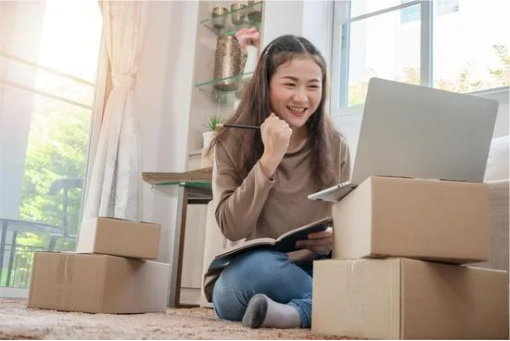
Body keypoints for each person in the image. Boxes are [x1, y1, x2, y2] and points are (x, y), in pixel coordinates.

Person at [203, 35, 351, 329]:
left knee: (368, 273)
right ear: (266, 85)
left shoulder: (336, 147)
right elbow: (233, 227)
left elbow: (348, 223)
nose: (302, 98)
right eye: (290, 84)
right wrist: (268, 160)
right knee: (248, 276)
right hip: (259, 271)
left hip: (315, 269)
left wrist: (335, 240)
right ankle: (329, 309)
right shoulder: (230, 142)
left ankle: (292, 314)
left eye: (313, 86)